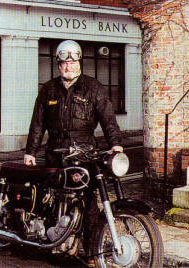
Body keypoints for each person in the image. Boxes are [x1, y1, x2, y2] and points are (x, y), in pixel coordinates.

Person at [24, 39, 123, 260]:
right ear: (58, 65)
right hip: (55, 152)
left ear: (79, 62)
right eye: (63, 63)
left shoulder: (93, 87)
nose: (68, 66)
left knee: (89, 204)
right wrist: (31, 151)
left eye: (72, 61)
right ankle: (52, 242)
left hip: (84, 153)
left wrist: (115, 144)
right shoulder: (48, 89)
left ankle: (89, 250)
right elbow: (38, 123)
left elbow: (108, 119)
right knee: (48, 199)